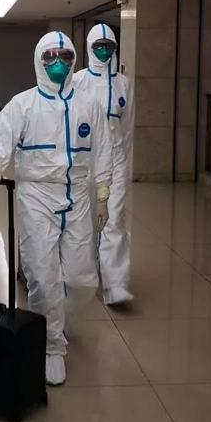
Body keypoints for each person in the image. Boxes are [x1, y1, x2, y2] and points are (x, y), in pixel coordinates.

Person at [0, 31, 112, 386]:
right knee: (42, 275)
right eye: (50, 56)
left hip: (78, 197)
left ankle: (59, 317)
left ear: (74, 60)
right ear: (39, 60)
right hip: (36, 196)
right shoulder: (23, 104)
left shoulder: (88, 105)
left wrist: (102, 193)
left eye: (65, 56)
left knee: (83, 279)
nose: (58, 63)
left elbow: (104, 149)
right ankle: (51, 345)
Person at [73, 23, 134, 305]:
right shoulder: (77, 80)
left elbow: (127, 127)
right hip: (85, 160)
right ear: (89, 47)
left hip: (116, 159)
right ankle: (86, 273)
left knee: (114, 220)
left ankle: (116, 284)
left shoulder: (124, 84)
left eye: (108, 46)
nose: (103, 51)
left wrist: (124, 164)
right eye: (98, 46)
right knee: (84, 219)